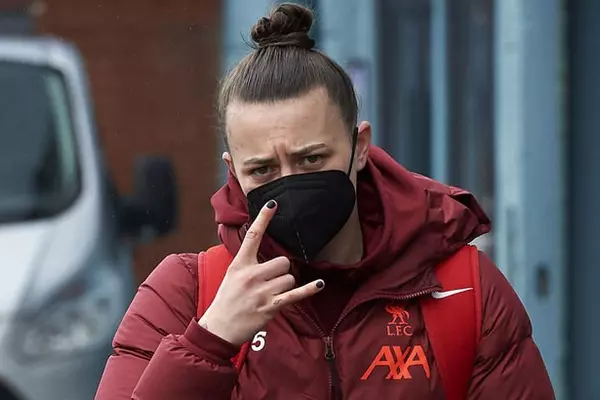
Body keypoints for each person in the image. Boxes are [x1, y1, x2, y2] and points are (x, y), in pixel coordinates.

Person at [95, 3, 555, 399]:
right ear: (233, 171)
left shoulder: (461, 290)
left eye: (311, 159)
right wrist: (210, 341)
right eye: (263, 170)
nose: (290, 183)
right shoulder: (185, 295)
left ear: (359, 148)